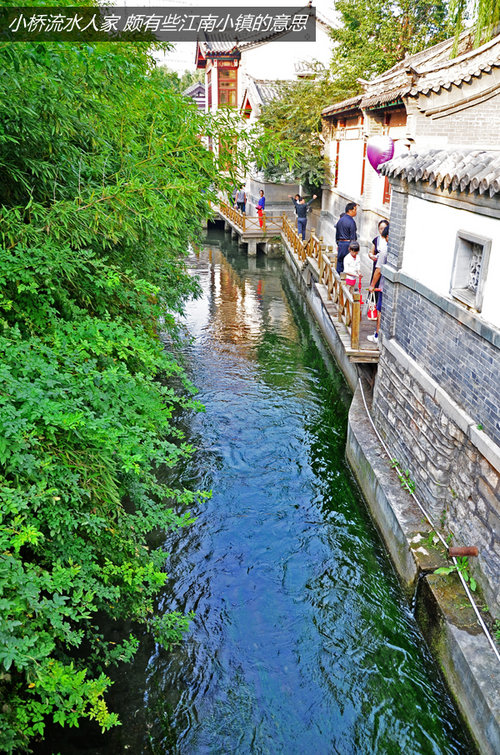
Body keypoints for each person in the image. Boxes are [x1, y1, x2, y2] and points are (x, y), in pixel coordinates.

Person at [367, 224, 389, 345]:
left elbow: (378, 270)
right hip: (389, 287)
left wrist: (372, 286)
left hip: (382, 286)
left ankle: (377, 335)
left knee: (379, 310)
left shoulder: (385, 251)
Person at [335, 202, 357, 273]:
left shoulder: (340, 220)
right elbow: (353, 237)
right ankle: (345, 281)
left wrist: (338, 243)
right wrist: (353, 249)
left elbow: (337, 234)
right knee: (347, 264)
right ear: (350, 210)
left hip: (341, 244)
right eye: (355, 210)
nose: (356, 212)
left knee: (340, 263)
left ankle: (338, 280)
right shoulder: (351, 222)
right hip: (348, 245)